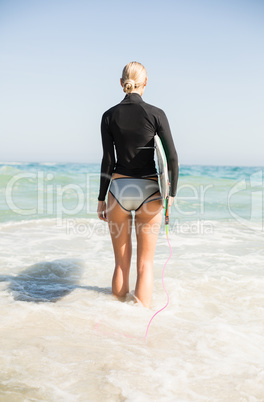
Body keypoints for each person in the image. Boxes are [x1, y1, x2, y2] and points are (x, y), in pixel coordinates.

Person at [97, 61, 178, 308]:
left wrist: (102, 199)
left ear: (122, 83)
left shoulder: (109, 115)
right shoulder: (156, 114)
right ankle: (138, 322)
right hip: (150, 192)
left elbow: (108, 160)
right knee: (145, 264)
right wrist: (171, 194)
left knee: (121, 263)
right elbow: (171, 157)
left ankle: (115, 316)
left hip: (119, 191)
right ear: (145, 84)